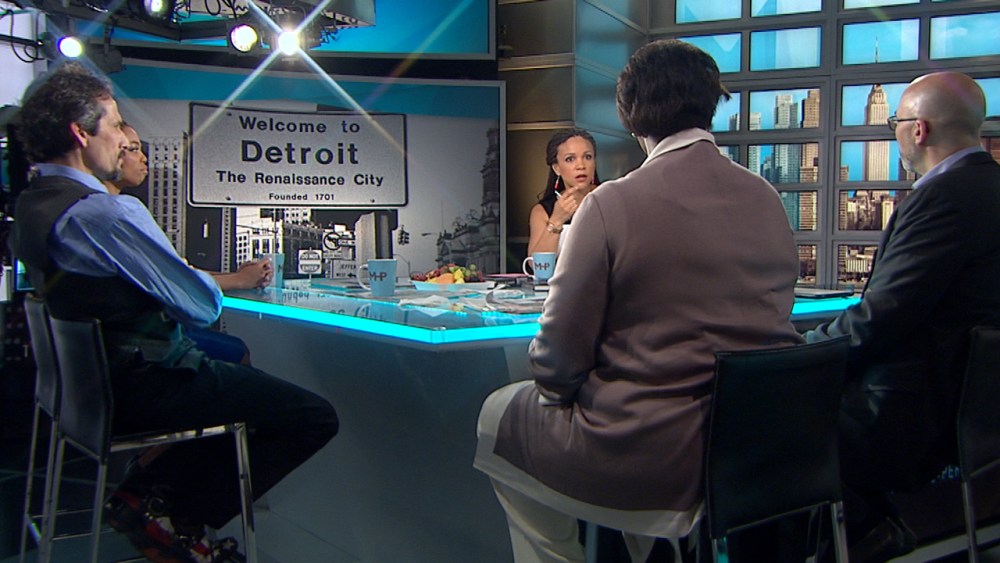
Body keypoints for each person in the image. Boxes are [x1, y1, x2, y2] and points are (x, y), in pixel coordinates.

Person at [474, 39, 804, 563]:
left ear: (629, 117)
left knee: (497, 414)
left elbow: (557, 362)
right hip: (758, 447)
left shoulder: (610, 204)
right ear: (711, 104)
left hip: (652, 452)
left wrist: (570, 391)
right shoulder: (766, 197)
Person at [9, 63, 338, 562]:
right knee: (312, 416)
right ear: (81, 133)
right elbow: (201, 306)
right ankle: (169, 514)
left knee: (239, 382)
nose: (123, 139)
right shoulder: (104, 212)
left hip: (84, 396)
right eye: (114, 124)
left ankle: (151, 498)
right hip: (143, 388)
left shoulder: (33, 206)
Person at [804, 71, 1000, 562]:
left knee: (771, 413)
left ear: (919, 129)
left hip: (913, 411)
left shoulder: (945, 196)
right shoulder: (989, 187)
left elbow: (882, 317)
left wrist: (804, 351)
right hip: (975, 406)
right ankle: (869, 527)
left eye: (895, 120)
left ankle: (868, 530)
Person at [105, 123, 270, 364]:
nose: (143, 158)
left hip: (142, 339)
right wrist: (240, 280)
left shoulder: (119, 210)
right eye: (133, 149)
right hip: (148, 345)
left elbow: (177, 271)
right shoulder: (120, 215)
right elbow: (175, 282)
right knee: (237, 352)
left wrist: (239, 275)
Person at [526, 128, 601, 255]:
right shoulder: (542, 211)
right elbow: (535, 263)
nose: (581, 166)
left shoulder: (610, 198)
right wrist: (556, 221)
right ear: (557, 168)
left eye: (587, 157)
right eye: (570, 159)